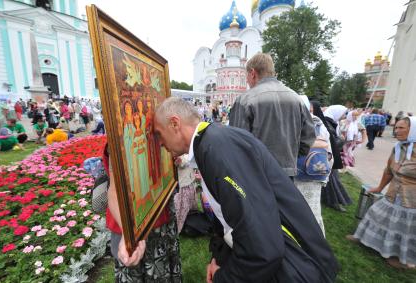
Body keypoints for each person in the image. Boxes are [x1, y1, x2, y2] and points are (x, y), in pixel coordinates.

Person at [145, 97, 339, 282]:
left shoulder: (216, 150)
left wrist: (224, 278)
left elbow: (263, 250)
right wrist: (219, 258)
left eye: (159, 134)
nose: (160, 143)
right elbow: (231, 217)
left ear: (174, 124)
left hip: (294, 268)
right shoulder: (212, 141)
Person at [103, 144, 182, 282]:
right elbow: (115, 190)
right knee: (135, 268)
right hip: (129, 222)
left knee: (163, 270)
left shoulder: (160, 127)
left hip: (160, 214)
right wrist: (129, 234)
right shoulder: (120, 133)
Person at [229, 52, 315, 178]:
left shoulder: (245, 100)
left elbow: (236, 142)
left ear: (252, 73)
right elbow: (308, 137)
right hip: (286, 173)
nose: (247, 81)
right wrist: (291, 158)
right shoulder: (296, 98)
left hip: (256, 174)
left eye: (246, 76)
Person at [347, 117, 416, 269]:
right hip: (393, 193)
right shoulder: (398, 147)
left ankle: (398, 258)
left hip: (411, 201)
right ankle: (363, 238)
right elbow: (388, 170)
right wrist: (379, 188)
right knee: (376, 213)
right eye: (396, 127)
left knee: (403, 228)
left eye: (401, 128)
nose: (396, 131)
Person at [294, 96, 332, 236]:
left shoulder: (293, 123)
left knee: (295, 210)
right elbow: (329, 154)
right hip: (315, 173)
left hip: (296, 174)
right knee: (312, 211)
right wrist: (324, 177)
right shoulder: (320, 124)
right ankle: (315, 240)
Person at [315, 103, 352, 212]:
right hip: (327, 155)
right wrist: (342, 139)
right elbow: (331, 142)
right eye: (343, 113)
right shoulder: (327, 122)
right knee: (332, 180)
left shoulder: (331, 122)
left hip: (329, 155)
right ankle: (334, 202)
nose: (344, 116)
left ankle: (330, 200)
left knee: (330, 179)